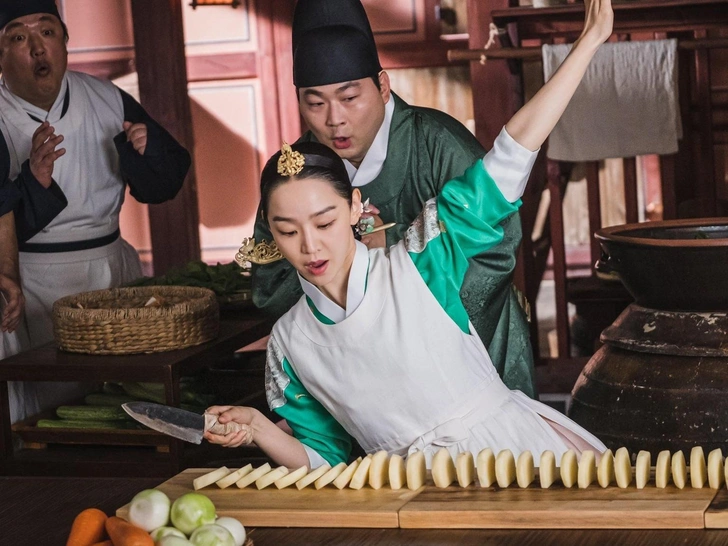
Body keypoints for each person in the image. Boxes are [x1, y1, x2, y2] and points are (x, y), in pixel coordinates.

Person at [206, 0, 613, 469]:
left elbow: (509, 159)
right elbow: (324, 460)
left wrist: (588, 44)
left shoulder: (420, 261)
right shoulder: (291, 341)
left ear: (353, 207)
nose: (310, 245)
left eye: (325, 223)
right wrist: (259, 428)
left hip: (505, 447)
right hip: (405, 484)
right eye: (286, 230)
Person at [252, 0, 537, 398]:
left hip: (467, 355)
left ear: (383, 87)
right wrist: (345, 259)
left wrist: (391, 254)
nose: (334, 119)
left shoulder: (437, 143)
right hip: (358, 375)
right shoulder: (295, 173)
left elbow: (494, 245)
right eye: (315, 103)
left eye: (349, 98)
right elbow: (271, 288)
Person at [0, 0, 191, 416]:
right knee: (51, 410)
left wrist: (148, 152)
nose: (37, 48)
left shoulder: (107, 98)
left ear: (65, 40)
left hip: (111, 271)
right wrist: (34, 184)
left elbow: (164, 185)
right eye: (18, 37)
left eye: (47, 32)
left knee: (125, 398)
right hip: (33, 282)